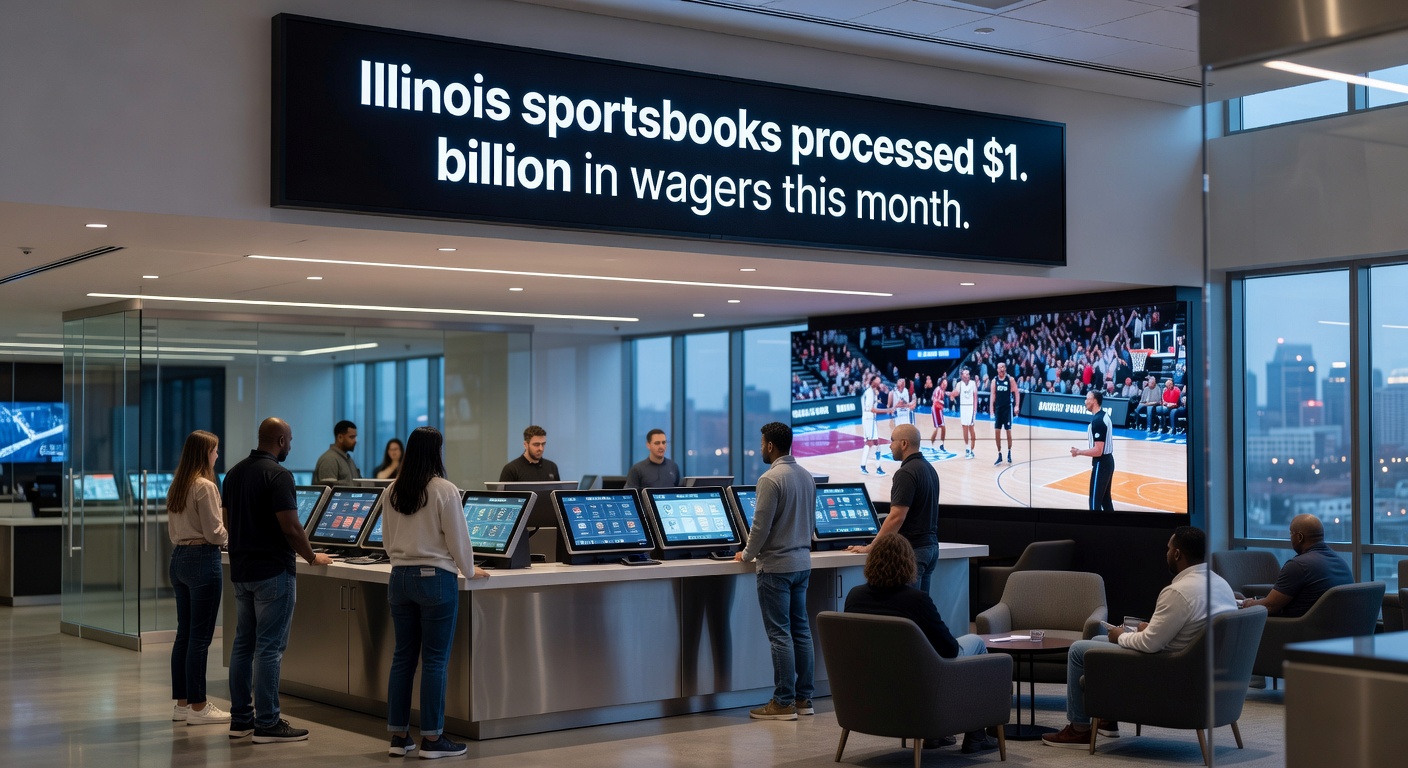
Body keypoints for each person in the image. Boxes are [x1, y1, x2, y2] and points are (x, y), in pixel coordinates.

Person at [1043, 527, 1237, 748]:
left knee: (1079, 650)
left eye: (1168, 548)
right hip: (1201, 669)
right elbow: (1185, 629)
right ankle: (1106, 718)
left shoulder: (1178, 592)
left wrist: (1120, 636)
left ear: (1177, 554)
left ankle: (1079, 729)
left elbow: (1150, 645)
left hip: (1170, 671)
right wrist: (1149, 628)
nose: (1166, 553)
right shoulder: (1221, 584)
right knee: (1097, 642)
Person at [382, 426, 489, 759]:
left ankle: (399, 738)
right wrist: (470, 570)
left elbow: (387, 542)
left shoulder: (392, 490)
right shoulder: (445, 490)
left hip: (399, 578)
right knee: (434, 662)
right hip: (435, 580)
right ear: (436, 452)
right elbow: (458, 539)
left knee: (403, 659)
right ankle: (432, 739)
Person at [226, 417, 333, 743]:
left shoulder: (233, 473)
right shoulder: (279, 475)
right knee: (270, 650)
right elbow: (291, 527)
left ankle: (241, 720)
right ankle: (268, 722)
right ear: (282, 440)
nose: (291, 445)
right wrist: (312, 557)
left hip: (242, 572)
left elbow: (229, 521)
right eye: (290, 440)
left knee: (244, 645)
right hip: (273, 572)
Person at [845, 533, 995, 754]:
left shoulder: (854, 597)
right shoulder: (916, 600)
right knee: (975, 643)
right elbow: (950, 649)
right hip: (917, 686)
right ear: (908, 563)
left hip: (868, 687)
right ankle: (976, 735)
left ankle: (937, 734)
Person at [735, 422, 816, 721]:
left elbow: (760, 526)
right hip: (801, 564)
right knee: (802, 632)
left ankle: (782, 703)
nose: (760, 449)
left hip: (775, 568)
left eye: (761, 444)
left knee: (780, 635)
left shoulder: (770, 480)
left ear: (770, 446)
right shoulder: (807, 476)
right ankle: (804, 699)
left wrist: (746, 554)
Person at [167, 429, 231, 726]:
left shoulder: (178, 484)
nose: (218, 455)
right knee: (201, 637)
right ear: (206, 453)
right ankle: (199, 707)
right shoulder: (205, 486)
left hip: (179, 559)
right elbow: (214, 533)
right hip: (203, 560)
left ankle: (182, 704)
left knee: (185, 633)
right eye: (215, 450)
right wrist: (233, 536)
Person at [847, 424, 940, 592]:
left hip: (914, 551)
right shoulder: (929, 469)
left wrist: (873, 546)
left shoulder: (906, 472)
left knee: (907, 611)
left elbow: (897, 516)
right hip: (931, 549)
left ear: (904, 444)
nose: (889, 445)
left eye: (892, 441)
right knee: (920, 609)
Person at [1239, 514, 1352, 617]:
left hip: (1297, 631)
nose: (1290, 538)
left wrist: (1248, 604)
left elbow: (1270, 607)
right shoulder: (1341, 562)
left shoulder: (1298, 565)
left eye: (1290, 533)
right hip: (1335, 632)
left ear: (1299, 537)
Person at [1070, 390, 1115, 512]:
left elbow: (1098, 450)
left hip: (1101, 463)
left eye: (1087, 398)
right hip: (1108, 462)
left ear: (1094, 400)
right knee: (1106, 501)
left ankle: (1097, 530)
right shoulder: (1103, 415)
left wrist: (1079, 452)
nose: (1085, 401)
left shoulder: (1098, 421)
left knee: (1094, 503)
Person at [858, 376, 890, 475]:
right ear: (873, 381)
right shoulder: (869, 392)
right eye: (878, 381)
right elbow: (871, 409)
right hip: (868, 419)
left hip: (871, 419)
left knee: (877, 443)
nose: (879, 382)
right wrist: (887, 410)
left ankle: (878, 467)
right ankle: (863, 466)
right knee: (869, 442)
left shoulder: (873, 392)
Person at [989, 361, 1019, 465]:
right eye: (999, 367)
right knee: (997, 432)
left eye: (1003, 367)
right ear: (997, 369)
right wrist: (991, 409)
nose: (1001, 369)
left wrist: (1017, 405)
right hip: (998, 409)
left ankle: (1009, 452)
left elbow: (1016, 392)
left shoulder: (1010, 380)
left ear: (1005, 368)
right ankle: (999, 454)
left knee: (1008, 432)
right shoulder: (994, 381)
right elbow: (992, 395)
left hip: (1007, 409)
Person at [314, 420, 360, 484]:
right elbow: (329, 491)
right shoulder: (330, 460)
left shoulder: (349, 460)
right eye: (352, 437)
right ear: (340, 437)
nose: (355, 441)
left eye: (355, 437)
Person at [955, 368, 978, 459]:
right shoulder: (959, 384)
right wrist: (950, 394)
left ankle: (972, 449)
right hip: (963, 407)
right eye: (965, 374)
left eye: (968, 374)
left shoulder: (973, 383)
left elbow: (975, 397)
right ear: (962, 376)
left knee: (971, 428)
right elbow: (956, 393)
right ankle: (967, 448)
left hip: (971, 407)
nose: (967, 376)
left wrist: (975, 410)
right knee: (964, 428)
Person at [926, 374, 948, 452]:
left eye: (946, 384)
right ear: (941, 383)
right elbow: (935, 400)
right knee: (937, 427)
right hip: (936, 409)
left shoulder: (941, 390)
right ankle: (931, 445)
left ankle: (941, 444)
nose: (945, 385)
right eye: (944, 384)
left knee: (943, 427)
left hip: (939, 410)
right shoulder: (938, 390)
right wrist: (941, 404)